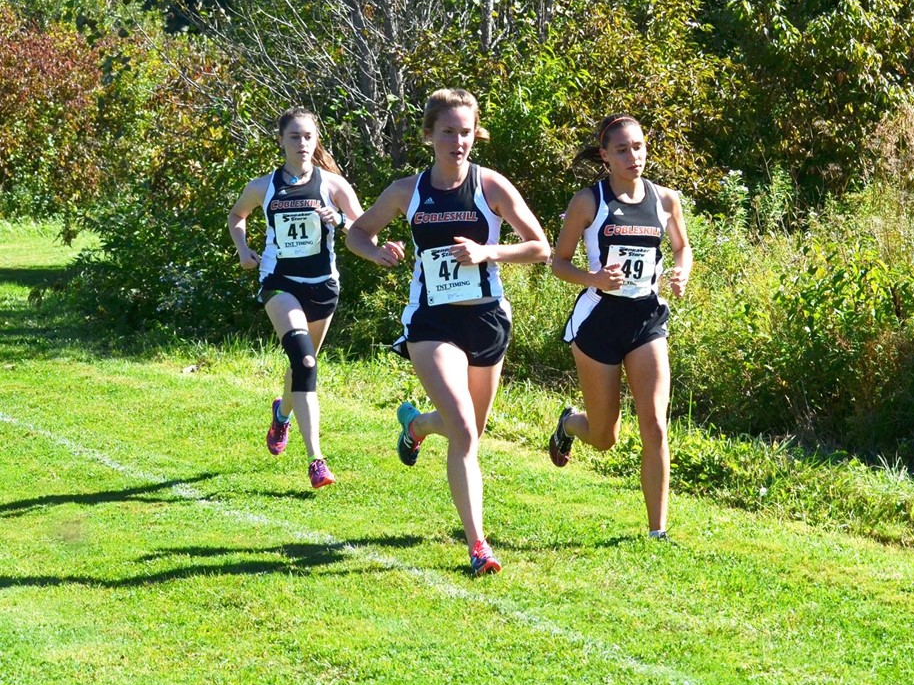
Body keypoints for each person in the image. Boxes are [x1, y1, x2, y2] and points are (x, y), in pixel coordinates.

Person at [346, 88, 550, 575]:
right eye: (447, 132)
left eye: (465, 132)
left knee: (468, 434)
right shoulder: (407, 190)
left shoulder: (491, 186)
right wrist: (376, 252)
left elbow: (540, 246)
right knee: (462, 428)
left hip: (486, 320)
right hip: (432, 322)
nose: (458, 142)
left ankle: (417, 426)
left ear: (473, 133)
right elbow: (357, 231)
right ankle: (479, 546)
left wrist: (487, 253)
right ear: (429, 135)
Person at [548, 114, 692, 540]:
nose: (634, 156)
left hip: (646, 317)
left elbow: (682, 248)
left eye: (639, 146)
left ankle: (657, 532)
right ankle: (570, 423)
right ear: (605, 156)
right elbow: (557, 263)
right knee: (605, 436)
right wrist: (593, 278)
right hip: (599, 320)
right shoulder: (588, 201)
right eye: (623, 149)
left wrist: (681, 273)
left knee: (655, 424)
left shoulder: (665, 199)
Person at [228, 106, 364, 489]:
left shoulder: (333, 185)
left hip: (322, 286)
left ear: (316, 140)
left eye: (308, 136)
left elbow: (362, 228)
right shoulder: (264, 186)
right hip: (280, 283)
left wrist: (338, 220)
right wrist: (243, 250)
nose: (302, 143)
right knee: (305, 362)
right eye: (294, 137)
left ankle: (282, 412)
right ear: (281, 140)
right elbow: (236, 215)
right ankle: (316, 460)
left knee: (302, 365)